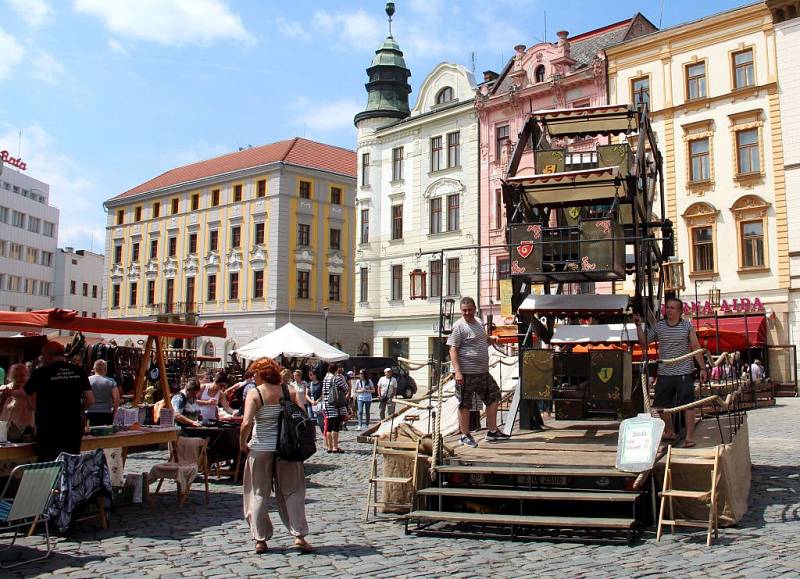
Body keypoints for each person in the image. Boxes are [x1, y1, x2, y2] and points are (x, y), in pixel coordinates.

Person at [239, 357, 312, 555]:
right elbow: (302, 418)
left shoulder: (255, 393)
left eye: (254, 372)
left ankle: (260, 540)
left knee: (258, 492)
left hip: (261, 448)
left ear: (262, 373)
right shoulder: (290, 391)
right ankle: (299, 536)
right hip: (286, 449)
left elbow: (246, 423)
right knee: (294, 491)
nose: (252, 376)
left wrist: (242, 443)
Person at [634, 297, 707, 448]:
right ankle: (670, 431)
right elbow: (644, 343)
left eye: (673, 308)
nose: (669, 310)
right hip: (665, 372)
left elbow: (695, 346)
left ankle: (689, 437)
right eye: (667, 307)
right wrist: (638, 325)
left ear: (680, 311)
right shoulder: (659, 326)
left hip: (684, 371)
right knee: (660, 405)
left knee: (688, 405)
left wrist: (702, 368)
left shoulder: (687, 326)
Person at [447, 296, 508, 448]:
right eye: (464, 311)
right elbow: (452, 349)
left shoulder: (479, 322)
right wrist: (458, 372)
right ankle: (465, 435)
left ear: (474, 309)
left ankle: (492, 431)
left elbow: (483, 339)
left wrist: (492, 339)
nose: (467, 313)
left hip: (482, 372)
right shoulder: (458, 326)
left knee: (494, 396)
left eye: (469, 310)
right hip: (466, 373)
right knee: (465, 404)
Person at [24, 341, 95, 461]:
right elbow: (91, 400)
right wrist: (78, 409)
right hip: (72, 427)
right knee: (69, 464)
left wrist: (38, 409)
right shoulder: (79, 371)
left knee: (48, 466)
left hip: (48, 427)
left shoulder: (40, 373)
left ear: (47, 355)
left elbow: (29, 396)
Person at [0, 363, 35, 438]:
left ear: (26, 375)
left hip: (24, 433)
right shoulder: (7, 388)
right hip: (5, 431)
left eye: (22, 375)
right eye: (15, 376)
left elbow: (34, 407)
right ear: (11, 377)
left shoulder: (30, 389)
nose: (19, 378)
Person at [322, 362, 348, 453]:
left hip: (327, 404)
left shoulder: (325, 378)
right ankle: (335, 447)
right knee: (335, 426)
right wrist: (343, 379)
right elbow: (345, 389)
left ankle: (329, 447)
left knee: (329, 426)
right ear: (336, 369)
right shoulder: (336, 378)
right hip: (336, 404)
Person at [85, 360, 120, 426]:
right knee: (106, 434)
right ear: (105, 369)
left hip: (90, 413)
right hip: (106, 413)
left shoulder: (87, 380)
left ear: (94, 369)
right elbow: (116, 398)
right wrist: (115, 412)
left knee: (90, 435)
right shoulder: (111, 381)